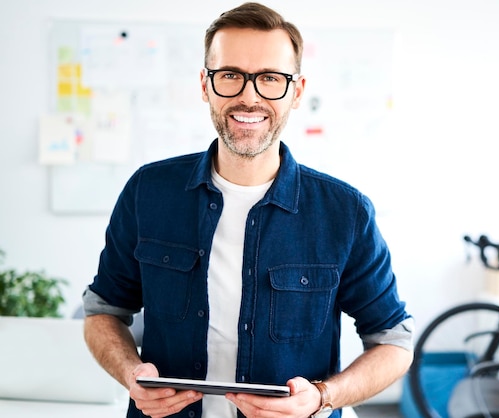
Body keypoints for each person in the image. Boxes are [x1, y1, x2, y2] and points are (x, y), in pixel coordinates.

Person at [82, 3, 415, 418]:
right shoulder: (147, 191)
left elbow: (393, 343)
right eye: (231, 76)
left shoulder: (346, 212)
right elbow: (103, 312)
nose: (248, 96)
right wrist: (131, 373)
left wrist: (323, 395)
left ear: (296, 90)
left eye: (270, 78)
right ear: (205, 84)